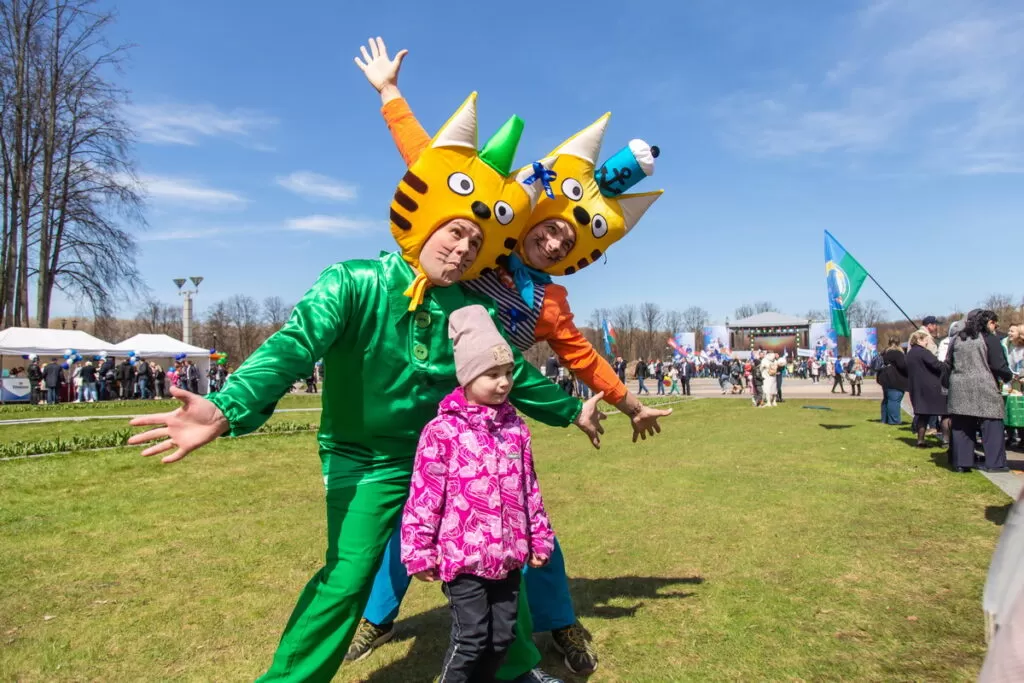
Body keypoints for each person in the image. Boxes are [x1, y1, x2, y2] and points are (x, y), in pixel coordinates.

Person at [128, 94, 607, 683]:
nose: (462, 249)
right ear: (429, 221)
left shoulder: (467, 306)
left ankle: (516, 670)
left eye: (475, 242)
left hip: (445, 456)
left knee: (491, 559)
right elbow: (294, 344)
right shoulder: (353, 282)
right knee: (348, 574)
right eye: (456, 232)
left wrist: (571, 411)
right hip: (363, 459)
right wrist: (228, 406)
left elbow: (512, 373)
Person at [351, 38, 671, 678]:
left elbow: (583, 359)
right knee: (416, 514)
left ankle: (560, 623)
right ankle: (377, 617)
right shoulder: (477, 253)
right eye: (549, 227)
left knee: (527, 523)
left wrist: (628, 403)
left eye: (566, 240)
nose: (552, 241)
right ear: (531, 222)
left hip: (497, 418)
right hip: (433, 408)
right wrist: (390, 94)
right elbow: (432, 168)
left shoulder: (550, 302)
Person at [402, 305, 554, 682]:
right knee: (470, 639)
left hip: (508, 556)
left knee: (501, 638)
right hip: (464, 558)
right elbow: (424, 496)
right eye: (492, 374)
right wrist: (419, 550)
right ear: (468, 376)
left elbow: (529, 489)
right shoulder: (442, 432)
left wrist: (540, 538)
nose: (504, 383)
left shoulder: (516, 430)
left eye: (508, 373)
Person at [947, 310, 1014, 473]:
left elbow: (948, 362)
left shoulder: (957, 338)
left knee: (962, 425)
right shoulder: (989, 338)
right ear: (987, 322)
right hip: (984, 384)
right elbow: (998, 365)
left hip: (959, 384)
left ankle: (962, 463)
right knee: (992, 423)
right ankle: (995, 463)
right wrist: (1009, 376)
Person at [906, 330, 948, 447]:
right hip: (931, 388)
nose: (927, 343)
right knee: (945, 412)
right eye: (925, 341)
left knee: (922, 415)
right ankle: (946, 440)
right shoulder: (923, 352)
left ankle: (920, 440)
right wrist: (947, 365)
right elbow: (937, 365)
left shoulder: (910, 354)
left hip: (917, 387)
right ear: (919, 340)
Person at [878, 337, 909, 425]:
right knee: (894, 400)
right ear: (899, 343)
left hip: (884, 378)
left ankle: (884, 419)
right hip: (895, 379)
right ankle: (894, 420)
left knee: (887, 399)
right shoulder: (897, 353)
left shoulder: (884, 352)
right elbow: (903, 366)